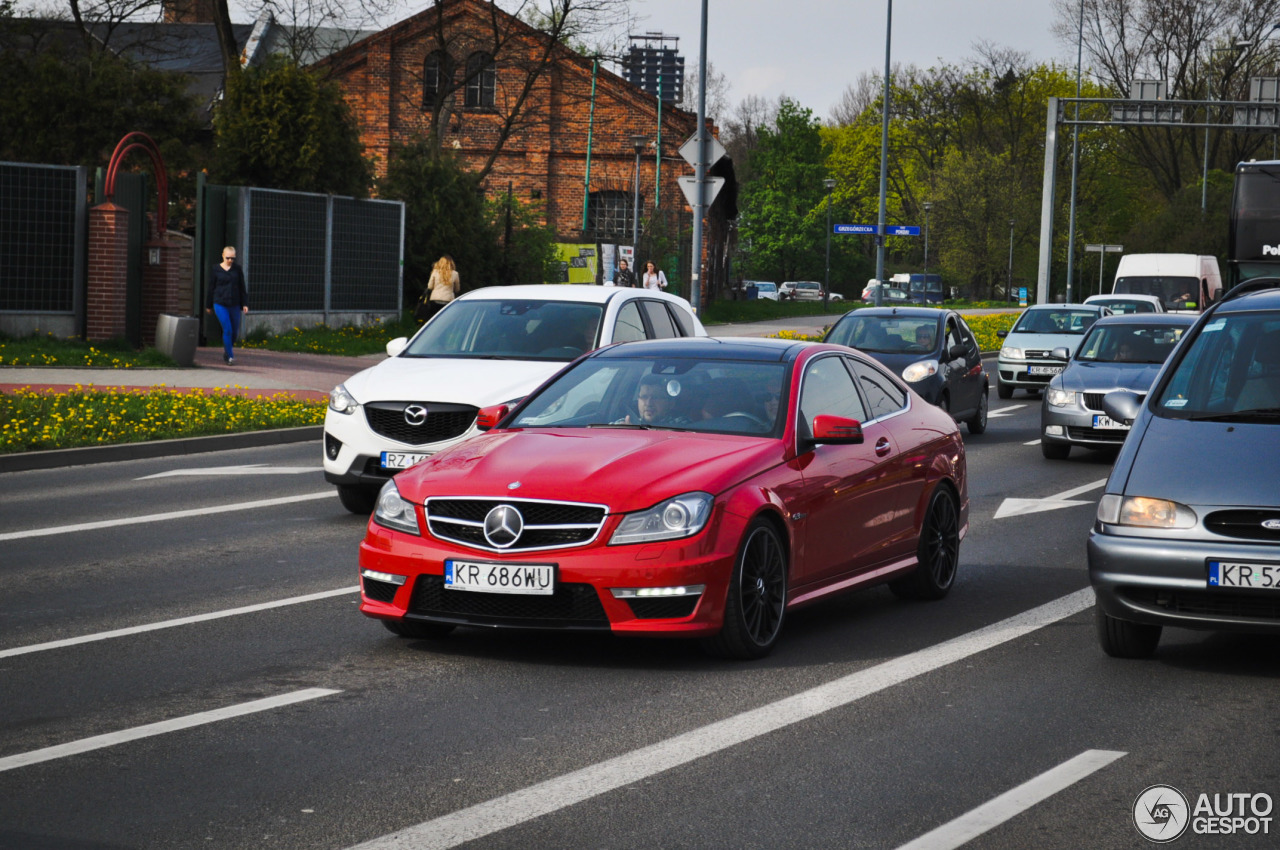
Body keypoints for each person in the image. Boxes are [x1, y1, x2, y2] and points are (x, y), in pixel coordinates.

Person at [206, 245, 248, 365]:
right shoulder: (216, 269)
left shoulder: (237, 269)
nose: (230, 261)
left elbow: (242, 287)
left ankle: (227, 350)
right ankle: (230, 356)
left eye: (233, 258)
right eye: (228, 258)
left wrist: (244, 303)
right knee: (227, 329)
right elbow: (211, 288)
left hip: (234, 303)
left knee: (234, 332)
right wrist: (208, 305)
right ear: (223, 256)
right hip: (220, 303)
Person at [616, 375, 688, 426]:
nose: (648, 403)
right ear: (638, 400)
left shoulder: (682, 425)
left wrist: (635, 433)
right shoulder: (626, 423)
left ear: (671, 404)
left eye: (656, 397)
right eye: (644, 397)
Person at [418, 255, 460, 322]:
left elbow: (430, 287)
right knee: (446, 320)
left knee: (434, 319)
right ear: (451, 263)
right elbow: (457, 289)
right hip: (448, 300)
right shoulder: (455, 274)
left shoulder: (435, 272)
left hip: (435, 300)